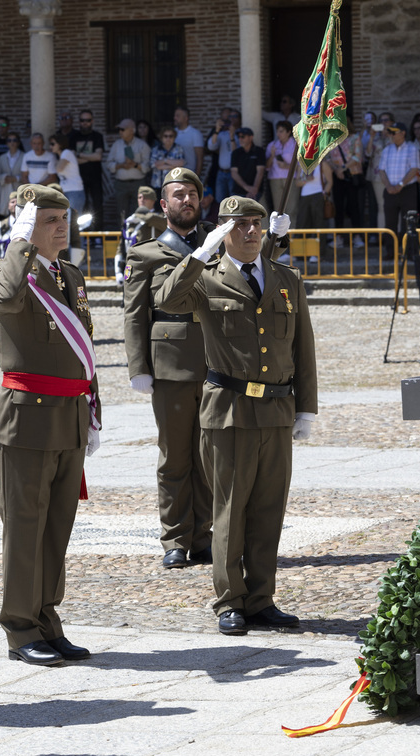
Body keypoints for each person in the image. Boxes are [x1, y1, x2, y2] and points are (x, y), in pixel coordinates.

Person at [155, 196, 317, 635]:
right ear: (222, 230)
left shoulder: (285, 278)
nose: (249, 231)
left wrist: (306, 408)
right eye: (238, 224)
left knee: (269, 510)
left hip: (277, 411)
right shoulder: (208, 277)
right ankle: (230, 599)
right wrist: (199, 254)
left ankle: (262, 598)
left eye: (256, 224)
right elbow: (168, 299)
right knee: (229, 508)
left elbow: (303, 348)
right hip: (228, 411)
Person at [126, 169, 291, 570]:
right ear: (164, 205)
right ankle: (176, 538)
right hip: (173, 366)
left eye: (194, 195)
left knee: (213, 458)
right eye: (179, 195)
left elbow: (250, 273)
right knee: (176, 455)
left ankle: (206, 535)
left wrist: (275, 238)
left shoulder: (218, 244)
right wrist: (139, 367)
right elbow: (134, 313)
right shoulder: (146, 253)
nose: (187, 201)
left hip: (221, 362)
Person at [0, 184, 100, 667]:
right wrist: (18, 244)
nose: (61, 226)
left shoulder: (69, 274)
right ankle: (19, 627)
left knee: (57, 527)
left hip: (68, 416)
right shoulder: (12, 273)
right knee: (25, 528)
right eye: (49, 219)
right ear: (26, 223)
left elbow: (83, 349)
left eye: (63, 218)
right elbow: (6, 299)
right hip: (28, 419)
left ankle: (47, 619)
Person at [376, 122, 420, 251]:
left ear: (403, 133)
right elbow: (381, 170)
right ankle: (390, 252)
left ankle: (410, 252)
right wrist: (389, 186)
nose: (391, 135)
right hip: (390, 191)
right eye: (390, 132)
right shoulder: (386, 150)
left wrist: (401, 185)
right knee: (390, 223)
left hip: (408, 190)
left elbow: (414, 169)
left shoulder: (412, 149)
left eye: (394, 132)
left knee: (409, 223)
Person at [112, 186, 167, 285]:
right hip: (133, 269)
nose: (142, 200)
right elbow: (121, 248)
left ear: (153, 200)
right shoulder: (130, 221)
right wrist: (118, 271)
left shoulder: (160, 218)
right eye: (140, 197)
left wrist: (141, 215)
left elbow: (164, 224)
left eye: (146, 198)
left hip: (154, 269)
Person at [110, 119, 151, 222]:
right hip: (120, 184)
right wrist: (120, 165)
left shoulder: (142, 145)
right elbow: (108, 163)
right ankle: (123, 237)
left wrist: (135, 165)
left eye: (122, 129)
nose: (120, 132)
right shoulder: (116, 145)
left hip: (138, 184)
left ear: (132, 130)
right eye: (119, 129)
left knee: (138, 213)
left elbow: (148, 166)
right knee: (121, 213)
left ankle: (137, 237)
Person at [71, 110, 105, 227]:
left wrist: (80, 155)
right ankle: (84, 234)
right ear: (79, 122)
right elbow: (72, 159)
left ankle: (98, 234)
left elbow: (98, 156)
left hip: (95, 177)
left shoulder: (97, 136)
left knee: (97, 205)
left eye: (88, 120)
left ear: (92, 121)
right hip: (79, 178)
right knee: (83, 207)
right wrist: (91, 157)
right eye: (82, 120)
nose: (85, 123)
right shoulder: (73, 137)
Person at [265, 121, 297, 217]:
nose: (278, 134)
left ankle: (292, 232)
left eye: (281, 131)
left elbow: (301, 165)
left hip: (291, 178)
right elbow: (266, 166)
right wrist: (272, 155)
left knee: (292, 208)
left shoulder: (295, 145)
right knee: (278, 210)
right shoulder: (272, 145)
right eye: (277, 131)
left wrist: (286, 166)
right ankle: (280, 232)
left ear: (288, 132)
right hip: (275, 179)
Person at [207, 108, 240, 202]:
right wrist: (217, 130)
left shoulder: (241, 134)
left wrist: (232, 136)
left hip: (234, 173)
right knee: (220, 201)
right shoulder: (222, 134)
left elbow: (237, 154)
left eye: (235, 116)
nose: (232, 119)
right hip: (221, 172)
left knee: (234, 202)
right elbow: (211, 146)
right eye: (230, 117)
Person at [229, 128, 266, 208]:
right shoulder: (236, 153)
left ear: (251, 137)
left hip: (254, 192)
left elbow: (260, 171)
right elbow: (234, 173)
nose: (240, 139)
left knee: (251, 215)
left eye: (243, 137)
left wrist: (254, 189)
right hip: (238, 191)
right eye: (239, 137)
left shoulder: (259, 151)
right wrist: (247, 187)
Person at [49, 134, 84, 213]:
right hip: (66, 191)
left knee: (74, 220)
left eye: (53, 144)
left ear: (60, 144)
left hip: (75, 191)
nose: (51, 146)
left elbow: (59, 169)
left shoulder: (66, 152)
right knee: (67, 219)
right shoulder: (61, 156)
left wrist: (54, 161)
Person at [0, 133, 24, 220]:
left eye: (14, 140)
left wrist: (16, 178)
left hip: (19, 189)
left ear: (18, 142)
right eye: (9, 140)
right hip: (5, 191)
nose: (12, 143)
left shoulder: (24, 156)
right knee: (6, 215)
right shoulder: (2, 157)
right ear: (6, 143)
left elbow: (27, 175)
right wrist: (4, 177)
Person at [172, 107, 205, 177]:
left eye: (177, 116)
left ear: (186, 118)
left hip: (188, 174)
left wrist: (196, 177)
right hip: (173, 175)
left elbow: (200, 158)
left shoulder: (195, 134)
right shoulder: (172, 133)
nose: (174, 118)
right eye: (174, 116)